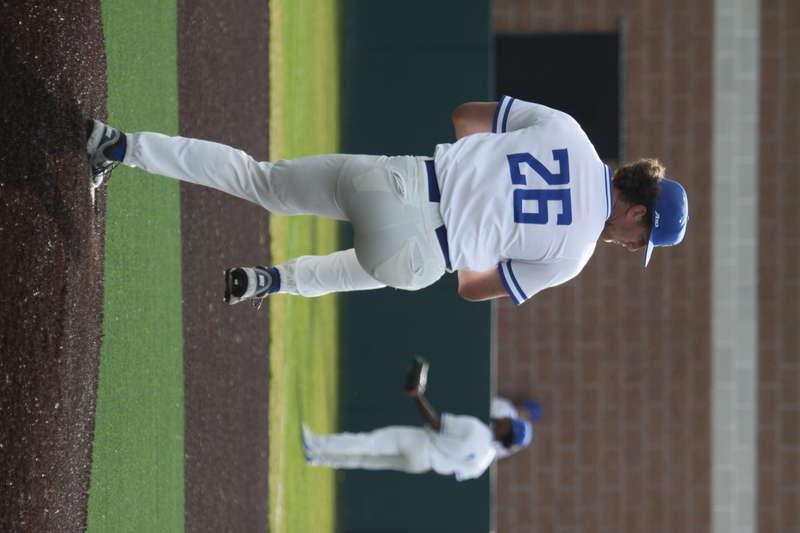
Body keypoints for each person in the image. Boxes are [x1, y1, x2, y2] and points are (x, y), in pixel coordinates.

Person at [86, 96, 689, 308]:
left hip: (401, 182)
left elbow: (465, 116)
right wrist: (472, 234)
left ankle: (121, 146)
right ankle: (276, 282)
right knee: (383, 267)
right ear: (637, 212)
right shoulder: (574, 256)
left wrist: (471, 177)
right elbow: (473, 289)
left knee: (261, 181)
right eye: (640, 240)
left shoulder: (569, 132)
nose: (628, 246)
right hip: (419, 255)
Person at [301, 387, 532, 481]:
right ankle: (318, 458)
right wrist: (431, 462)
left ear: (507, 430)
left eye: (509, 422)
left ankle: (315, 446)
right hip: (422, 464)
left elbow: (436, 425)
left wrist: (417, 395)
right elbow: (449, 473)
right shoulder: (484, 462)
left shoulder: (478, 429)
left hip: (420, 443)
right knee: (365, 460)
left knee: (368, 443)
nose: (505, 418)